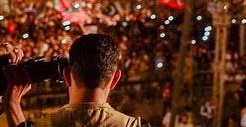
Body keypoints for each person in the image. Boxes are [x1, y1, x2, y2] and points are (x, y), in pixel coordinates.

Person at [3, 34, 148, 127]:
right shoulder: (135, 125)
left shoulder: (40, 125)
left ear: (66, 75)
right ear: (115, 79)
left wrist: (12, 104)